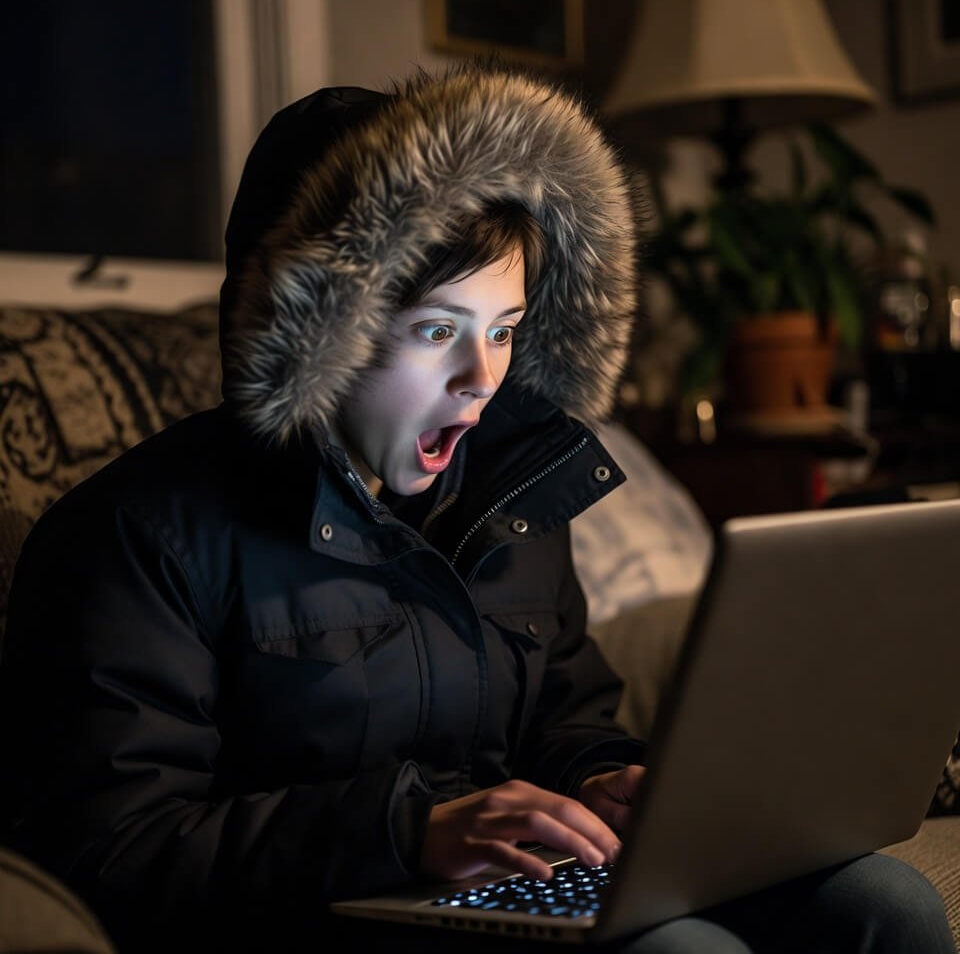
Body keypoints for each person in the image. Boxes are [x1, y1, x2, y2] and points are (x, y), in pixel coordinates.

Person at [0, 61, 953, 954]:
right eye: (435, 331)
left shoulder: (512, 496)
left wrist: (601, 782)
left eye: (503, 330)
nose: (482, 378)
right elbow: (112, 852)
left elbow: (566, 717)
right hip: (328, 908)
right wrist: (405, 831)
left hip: (497, 884)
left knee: (886, 906)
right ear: (308, 329)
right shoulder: (135, 538)